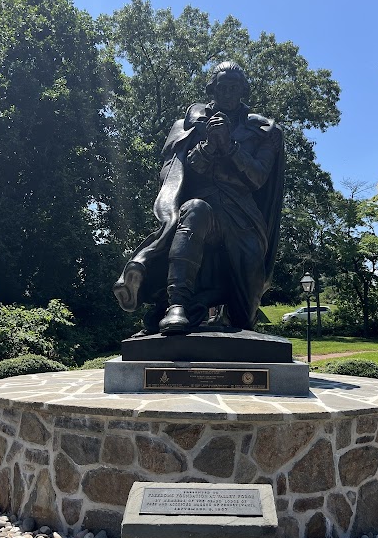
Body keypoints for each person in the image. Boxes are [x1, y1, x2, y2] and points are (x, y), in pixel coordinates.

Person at [113, 61, 284, 335]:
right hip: (203, 210)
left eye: (234, 87)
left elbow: (258, 177)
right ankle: (176, 305)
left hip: (243, 218)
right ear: (211, 89)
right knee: (194, 210)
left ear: (243, 90)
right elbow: (175, 171)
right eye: (222, 87)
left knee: (243, 318)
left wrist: (229, 147)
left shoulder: (264, 131)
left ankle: (212, 303)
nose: (228, 92)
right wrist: (206, 147)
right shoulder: (186, 126)